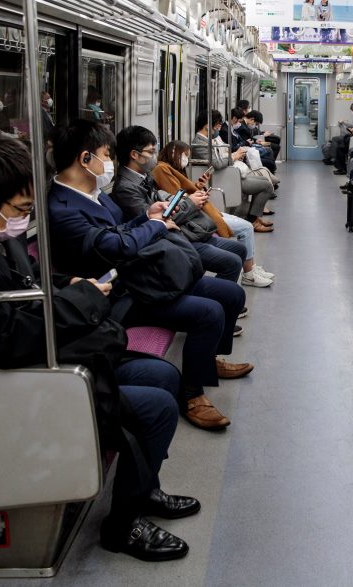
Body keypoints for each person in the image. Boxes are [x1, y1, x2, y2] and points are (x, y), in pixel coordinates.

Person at [0, 136, 196, 561]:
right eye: (22, 210)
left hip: (48, 354)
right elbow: (5, 340)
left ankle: (144, 488)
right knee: (155, 407)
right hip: (13, 382)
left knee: (164, 375)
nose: (25, 219)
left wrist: (69, 285)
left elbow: (28, 286)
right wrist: (86, 300)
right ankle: (122, 526)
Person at [48, 120, 252, 431]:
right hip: (119, 294)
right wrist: (154, 225)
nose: (110, 163)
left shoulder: (95, 194)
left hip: (141, 276)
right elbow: (114, 246)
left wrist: (146, 217)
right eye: (106, 155)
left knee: (232, 295)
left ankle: (208, 359)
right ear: (85, 158)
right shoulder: (63, 208)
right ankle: (192, 395)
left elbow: (120, 231)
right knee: (208, 312)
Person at [111, 126, 247, 283]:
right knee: (232, 263)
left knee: (240, 249)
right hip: (170, 238)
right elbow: (153, 221)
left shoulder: (143, 175)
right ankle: (221, 296)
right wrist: (190, 203)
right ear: (135, 155)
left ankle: (221, 294)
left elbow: (161, 198)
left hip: (183, 230)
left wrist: (185, 199)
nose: (155, 157)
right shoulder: (125, 188)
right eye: (150, 152)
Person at [155, 139, 276, 287]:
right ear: (174, 153)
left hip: (201, 211)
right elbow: (178, 196)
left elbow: (183, 192)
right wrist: (195, 196)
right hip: (196, 215)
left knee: (246, 228)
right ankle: (249, 273)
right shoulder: (162, 169)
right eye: (184, 155)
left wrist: (198, 186)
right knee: (246, 228)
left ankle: (251, 268)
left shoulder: (173, 170)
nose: (186, 159)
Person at [192, 110, 276, 233]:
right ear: (207, 126)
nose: (218, 130)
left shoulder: (209, 140)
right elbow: (216, 163)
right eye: (217, 126)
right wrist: (233, 157)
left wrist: (233, 155)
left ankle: (255, 218)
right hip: (223, 179)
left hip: (228, 175)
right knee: (266, 186)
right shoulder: (200, 143)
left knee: (264, 180)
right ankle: (252, 221)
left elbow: (219, 159)